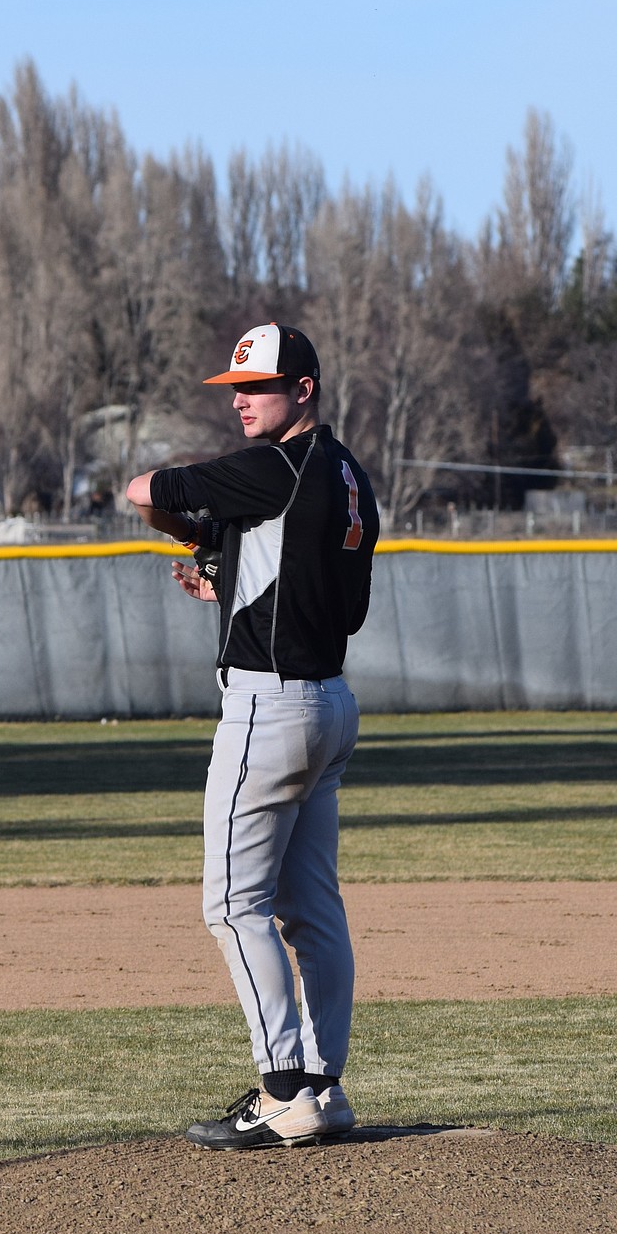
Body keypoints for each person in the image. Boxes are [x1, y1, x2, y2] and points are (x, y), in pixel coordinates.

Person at [125, 323, 379, 1150]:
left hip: (269, 712)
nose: (241, 403)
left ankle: (280, 1091)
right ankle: (326, 1086)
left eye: (258, 388)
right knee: (312, 908)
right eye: (234, 390)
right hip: (330, 701)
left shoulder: (272, 465)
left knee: (234, 906)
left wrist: (185, 523)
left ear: (303, 389)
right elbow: (330, 596)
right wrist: (222, 569)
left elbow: (142, 488)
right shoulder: (346, 474)